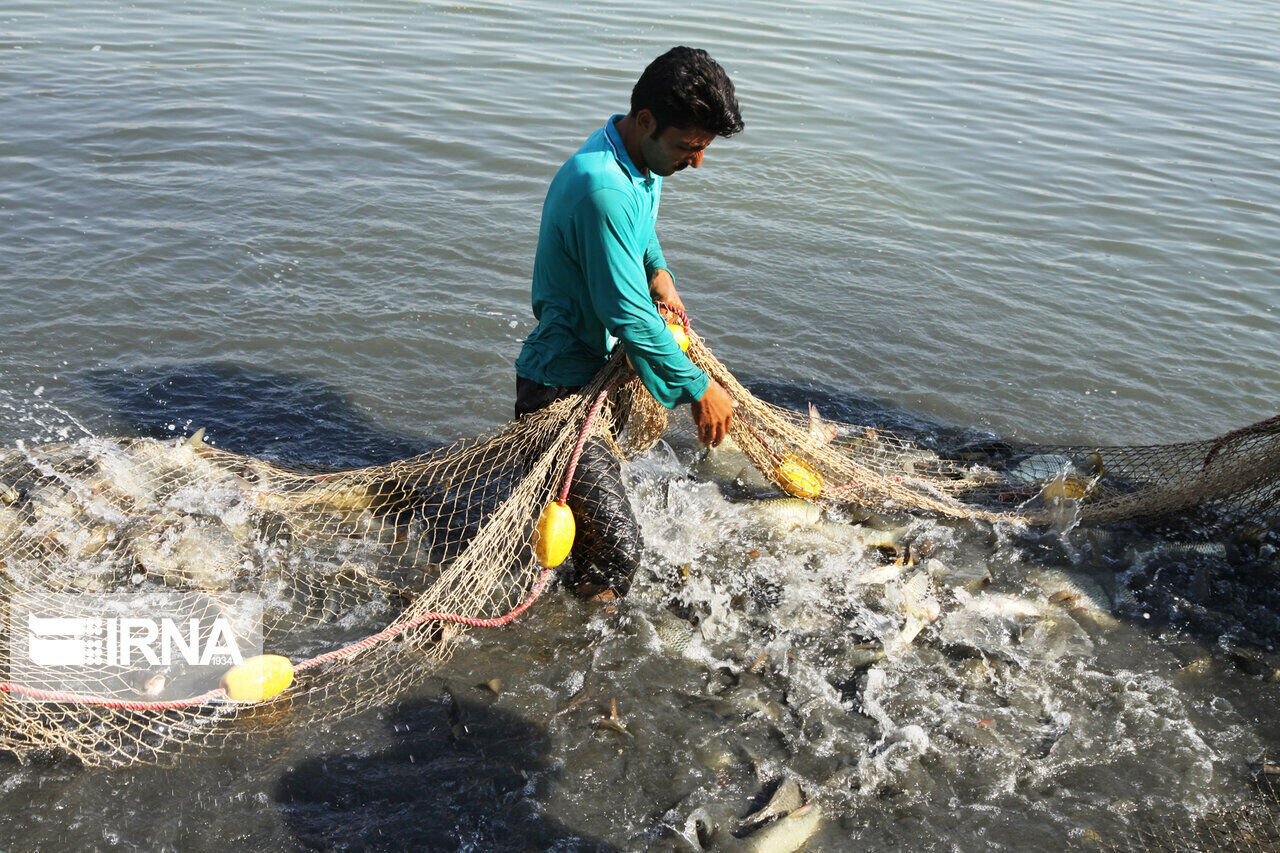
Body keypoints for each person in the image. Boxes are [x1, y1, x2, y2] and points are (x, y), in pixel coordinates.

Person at [515, 46, 743, 600]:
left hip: (602, 376)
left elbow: (638, 233)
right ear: (646, 122)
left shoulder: (639, 161)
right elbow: (627, 314)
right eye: (689, 147)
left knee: (591, 528)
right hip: (560, 391)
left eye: (703, 148)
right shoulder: (603, 188)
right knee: (618, 553)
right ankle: (580, 666)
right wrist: (698, 388)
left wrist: (659, 272)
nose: (697, 162)